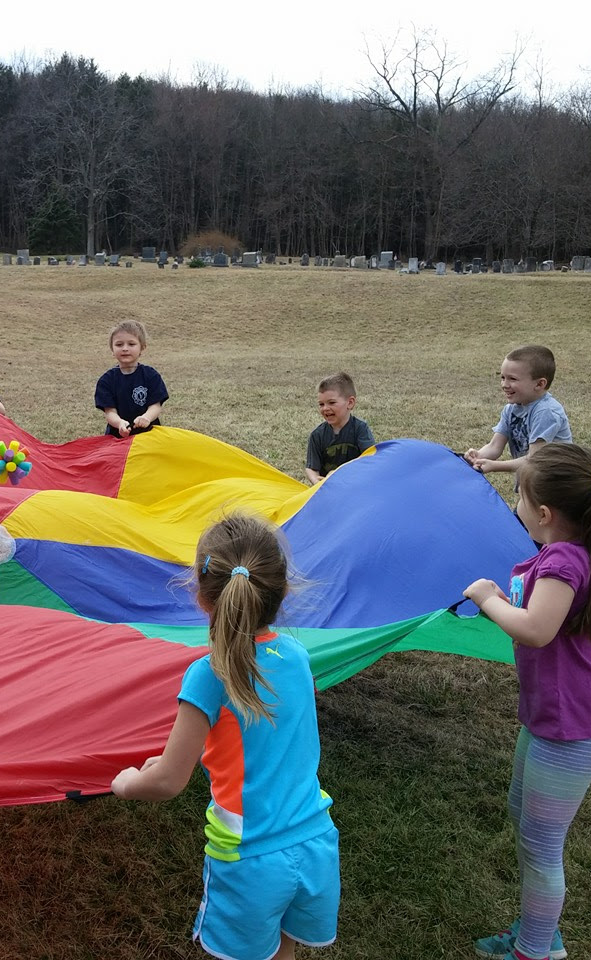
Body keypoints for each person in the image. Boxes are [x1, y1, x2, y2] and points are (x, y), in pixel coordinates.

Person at [112, 514, 340, 960]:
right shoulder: (296, 656)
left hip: (249, 860)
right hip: (315, 842)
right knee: (283, 950)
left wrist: (126, 783)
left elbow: (167, 782)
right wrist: (170, 761)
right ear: (282, 591)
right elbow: (262, 741)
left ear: (201, 596)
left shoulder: (208, 676)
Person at [463, 443, 591, 960]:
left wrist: (488, 598)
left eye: (517, 494)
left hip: (571, 728)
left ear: (543, 513)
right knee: (523, 815)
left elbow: (538, 630)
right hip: (549, 719)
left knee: (542, 849)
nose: (513, 503)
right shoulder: (570, 548)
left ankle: (535, 951)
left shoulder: (565, 558)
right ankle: (541, 929)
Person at [465, 345, 572, 477]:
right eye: (503, 377)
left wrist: (494, 466)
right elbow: (494, 446)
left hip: (556, 482)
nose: (504, 385)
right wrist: (476, 458)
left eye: (512, 379)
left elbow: (534, 460)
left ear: (539, 384)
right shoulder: (511, 409)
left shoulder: (546, 412)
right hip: (532, 477)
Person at [95, 320, 168, 438]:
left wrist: (146, 418)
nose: (125, 348)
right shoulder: (106, 380)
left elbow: (156, 405)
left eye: (131, 344)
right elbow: (110, 412)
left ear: (142, 348)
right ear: (112, 349)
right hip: (117, 437)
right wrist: (119, 423)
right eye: (119, 345)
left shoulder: (151, 375)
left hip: (149, 436)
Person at [305, 372, 374, 484]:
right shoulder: (317, 435)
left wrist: (340, 473)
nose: (325, 408)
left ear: (350, 403)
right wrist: (317, 483)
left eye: (331, 402)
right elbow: (312, 468)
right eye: (321, 404)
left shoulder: (360, 429)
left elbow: (370, 459)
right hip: (329, 489)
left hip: (356, 486)